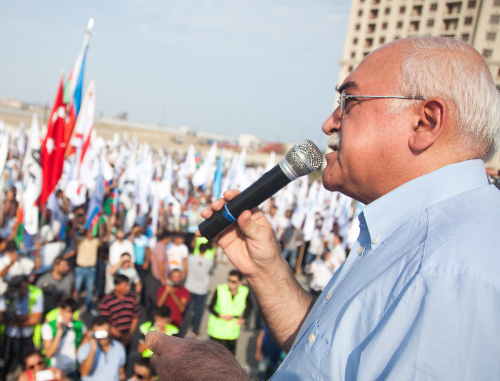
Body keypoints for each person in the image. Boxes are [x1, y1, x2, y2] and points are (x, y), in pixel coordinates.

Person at [146, 36, 500, 379]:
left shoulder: (453, 272)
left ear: (426, 122)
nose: (329, 122)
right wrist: (265, 270)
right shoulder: (417, 236)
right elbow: (325, 353)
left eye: (349, 100)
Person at [0, 275, 43, 379]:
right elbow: (1, 317)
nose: (18, 290)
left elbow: (35, 319)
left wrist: (13, 319)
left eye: (20, 287)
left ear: (25, 284)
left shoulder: (35, 293)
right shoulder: (7, 294)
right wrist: (24, 318)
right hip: (10, 334)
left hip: (27, 336)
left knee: (31, 363)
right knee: (5, 363)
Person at [206, 270, 252, 356]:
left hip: (232, 331)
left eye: (233, 281)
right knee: (212, 356)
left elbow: (250, 306)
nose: (230, 283)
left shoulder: (244, 291)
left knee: (230, 357)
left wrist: (244, 318)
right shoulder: (220, 289)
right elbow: (210, 307)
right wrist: (220, 316)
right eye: (229, 280)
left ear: (240, 282)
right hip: (217, 329)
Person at [41, 297, 86, 380]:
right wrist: (59, 333)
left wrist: (79, 350)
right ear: (60, 310)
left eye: (72, 312)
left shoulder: (78, 325)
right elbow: (48, 353)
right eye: (67, 312)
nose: (70, 315)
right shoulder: (48, 327)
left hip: (74, 369)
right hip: (56, 372)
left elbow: (88, 336)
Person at [77, 316, 126, 381]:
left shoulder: (119, 347)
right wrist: (93, 348)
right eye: (99, 334)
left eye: (104, 333)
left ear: (110, 330)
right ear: (93, 333)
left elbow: (121, 374)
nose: (102, 338)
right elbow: (84, 373)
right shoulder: (85, 349)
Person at [98, 274, 140, 349]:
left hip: (128, 338)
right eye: (125, 286)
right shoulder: (106, 300)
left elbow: (136, 317)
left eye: (128, 285)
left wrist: (129, 335)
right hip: (113, 339)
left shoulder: (131, 297)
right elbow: (105, 322)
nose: (129, 288)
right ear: (117, 286)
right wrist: (121, 337)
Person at [182, 242, 214, 336]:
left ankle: (180, 324)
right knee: (198, 311)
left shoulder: (191, 258)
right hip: (201, 289)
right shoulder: (209, 261)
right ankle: (195, 329)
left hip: (189, 287)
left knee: (185, 308)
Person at [146, 231, 171, 313]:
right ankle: (153, 313)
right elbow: (160, 263)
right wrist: (163, 278)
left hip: (156, 275)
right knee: (156, 296)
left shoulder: (158, 245)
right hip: (158, 276)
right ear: (167, 238)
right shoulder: (161, 247)